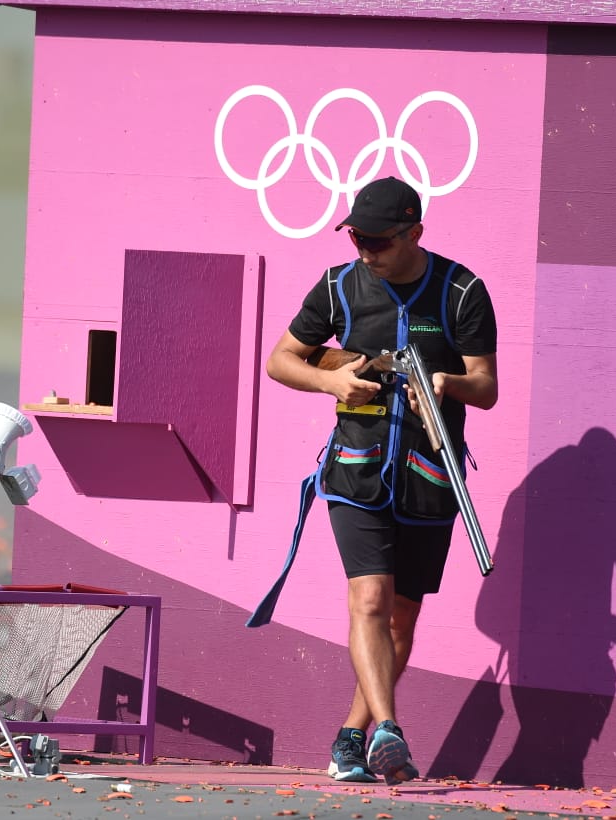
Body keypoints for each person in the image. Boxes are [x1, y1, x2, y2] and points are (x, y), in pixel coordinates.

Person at [265, 176, 498, 785]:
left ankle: (352, 737)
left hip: (429, 475)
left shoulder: (462, 290)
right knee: (368, 599)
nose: (364, 251)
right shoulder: (339, 285)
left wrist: (447, 384)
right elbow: (281, 360)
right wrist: (333, 381)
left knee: (400, 618)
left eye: (377, 241)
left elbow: (488, 387)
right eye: (357, 238)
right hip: (356, 471)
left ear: (414, 233)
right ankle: (390, 730)